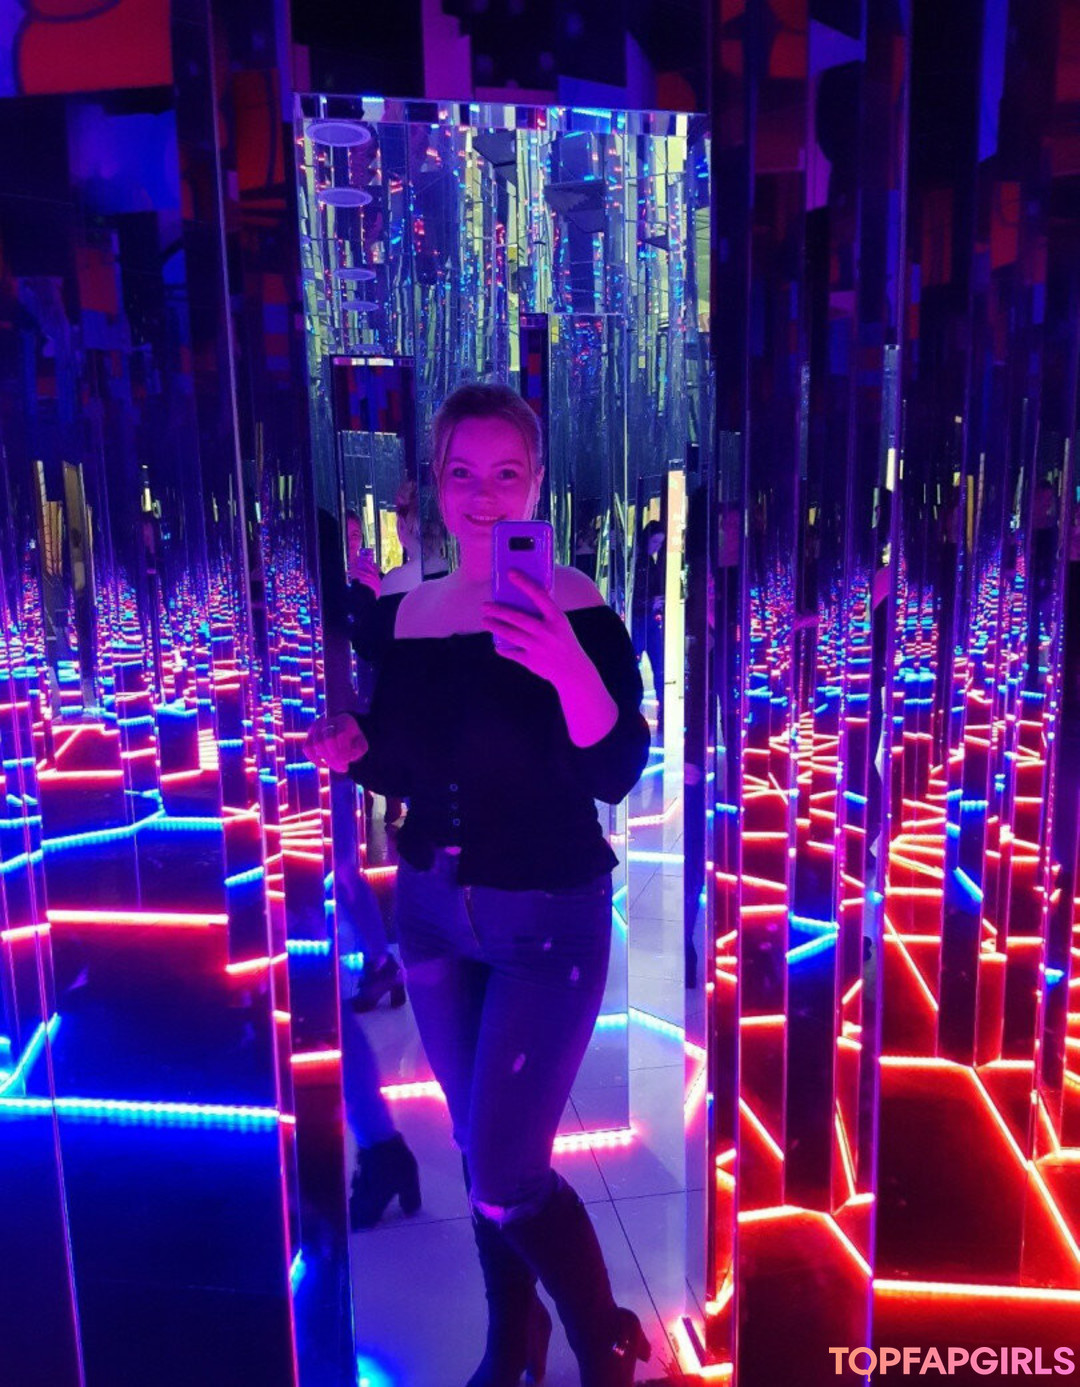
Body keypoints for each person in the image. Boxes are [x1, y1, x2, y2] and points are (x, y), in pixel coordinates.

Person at [305, 382, 652, 1387]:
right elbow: (404, 761)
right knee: (476, 1147)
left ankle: (605, 1340)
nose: (484, 494)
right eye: (464, 473)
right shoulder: (409, 612)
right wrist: (354, 748)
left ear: (537, 482)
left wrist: (565, 662)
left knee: (505, 1169)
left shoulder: (577, 604)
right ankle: (514, 1340)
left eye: (506, 473)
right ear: (436, 482)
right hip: (430, 913)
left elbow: (615, 770)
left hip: (547, 917)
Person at [631, 519, 665, 744]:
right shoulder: (640, 562)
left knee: (655, 665)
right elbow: (630, 595)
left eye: (659, 543)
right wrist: (651, 602)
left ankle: (641, 711)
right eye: (655, 542)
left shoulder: (648, 562)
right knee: (647, 665)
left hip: (648, 620)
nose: (656, 547)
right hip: (641, 620)